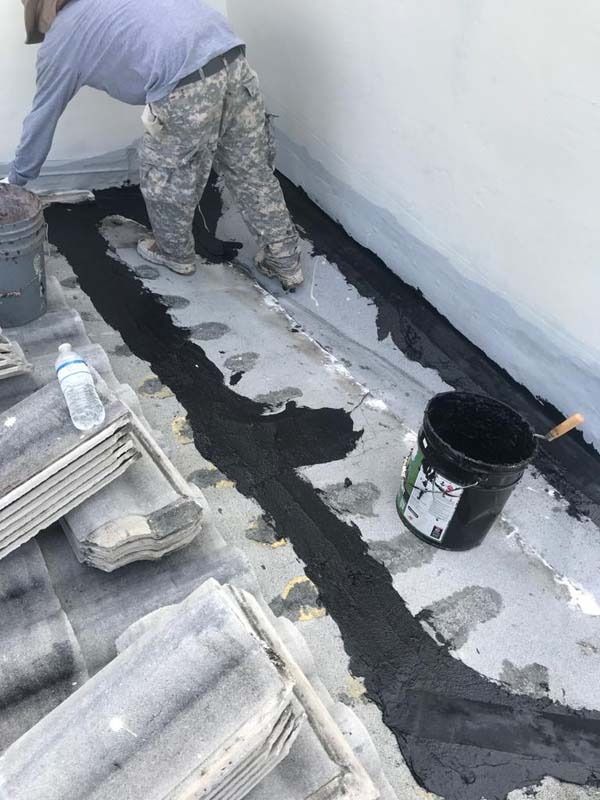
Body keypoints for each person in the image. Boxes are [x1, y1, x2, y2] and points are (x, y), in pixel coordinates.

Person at [4, 0, 304, 288]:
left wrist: (15, 181)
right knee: (251, 170)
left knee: (165, 175)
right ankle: (285, 261)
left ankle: (174, 254)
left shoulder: (63, 39)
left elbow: (42, 118)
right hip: (232, 59)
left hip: (186, 84)